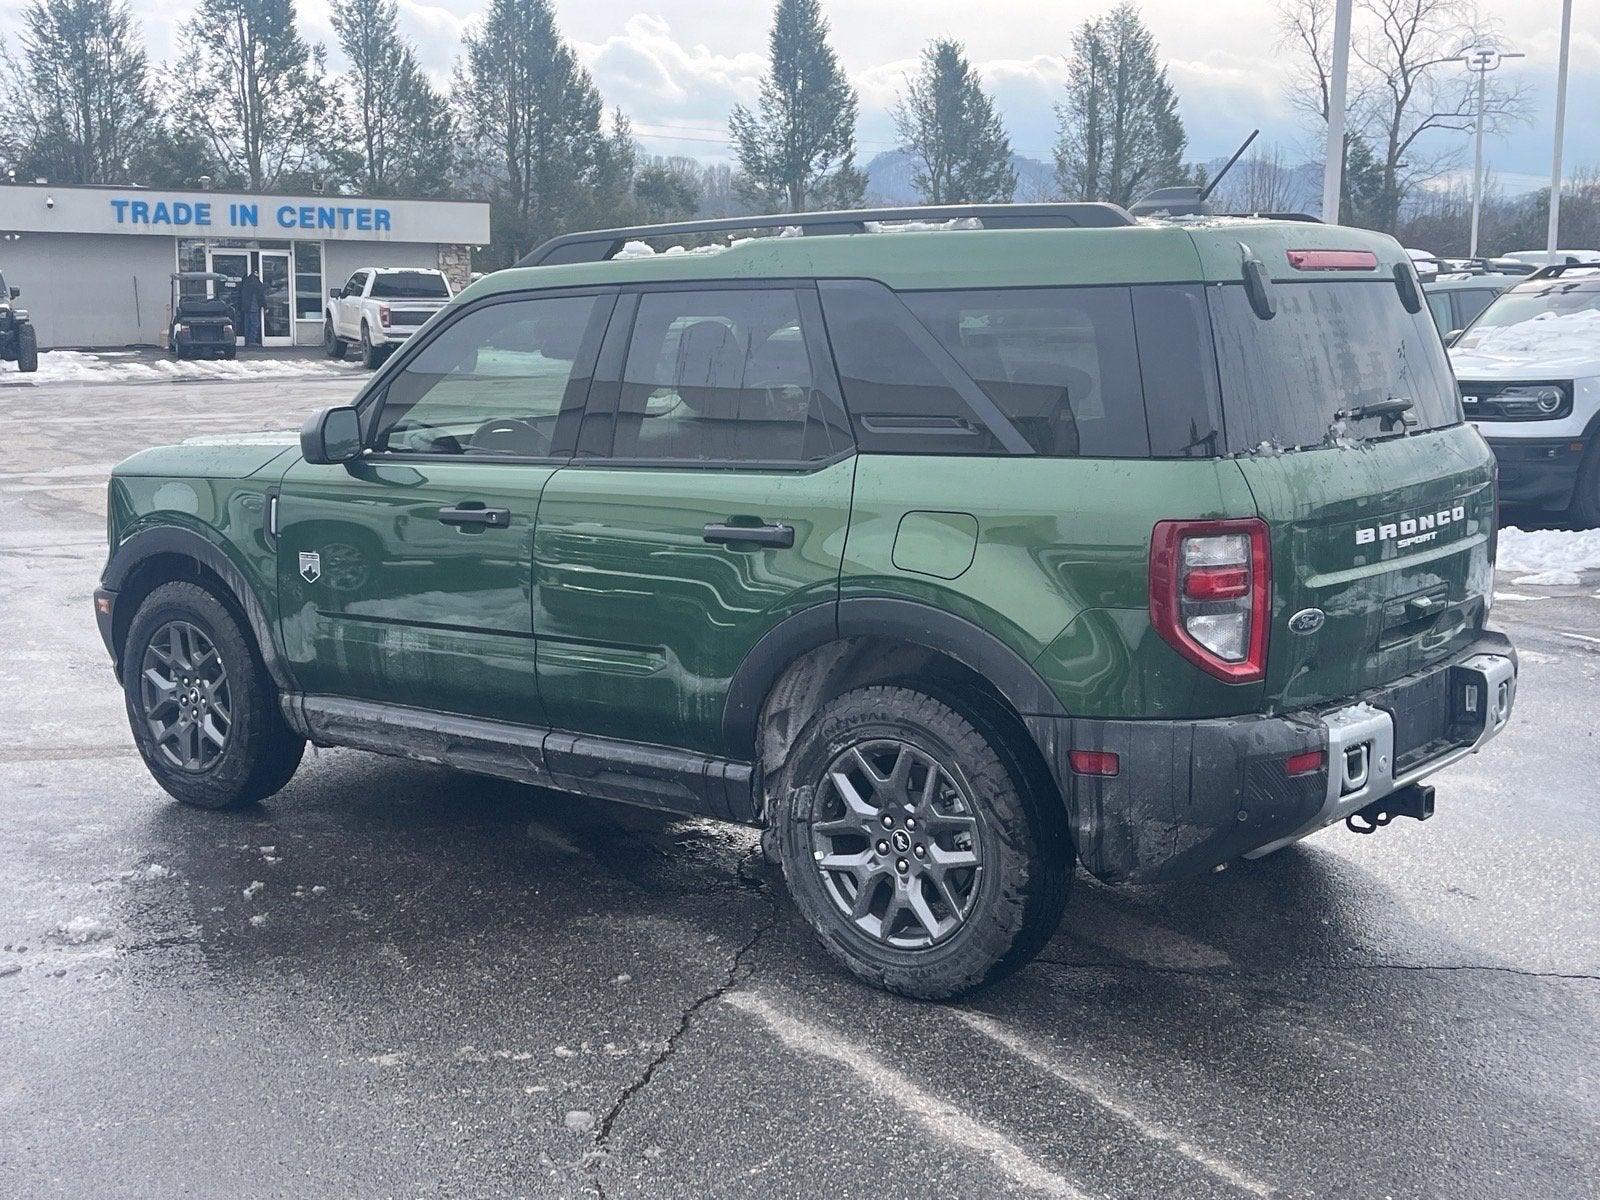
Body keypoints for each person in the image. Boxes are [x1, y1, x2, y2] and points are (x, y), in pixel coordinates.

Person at [238, 268, 266, 347]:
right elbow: (261, 296)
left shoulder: (246, 281)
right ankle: (252, 341)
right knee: (254, 324)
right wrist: (265, 306)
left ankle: (247, 341)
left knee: (247, 324)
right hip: (253, 306)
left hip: (245, 307)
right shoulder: (256, 283)